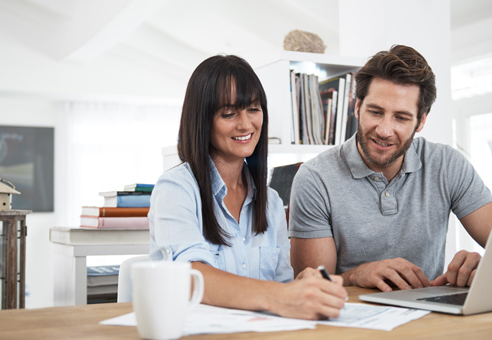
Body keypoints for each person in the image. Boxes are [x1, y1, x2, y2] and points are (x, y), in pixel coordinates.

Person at [288, 45, 492, 292]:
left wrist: (484, 266)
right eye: (375, 112)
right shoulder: (315, 178)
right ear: (358, 108)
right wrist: (357, 275)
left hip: (428, 319)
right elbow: (312, 287)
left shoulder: (446, 165)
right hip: (350, 322)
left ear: (420, 121)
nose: (384, 130)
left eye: (401, 117)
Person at [148, 55, 346, 320]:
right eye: (228, 113)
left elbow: (281, 288)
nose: (245, 124)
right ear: (202, 120)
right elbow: (190, 277)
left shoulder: (272, 202)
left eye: (253, 109)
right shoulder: (175, 189)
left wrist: (303, 284)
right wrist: (282, 296)